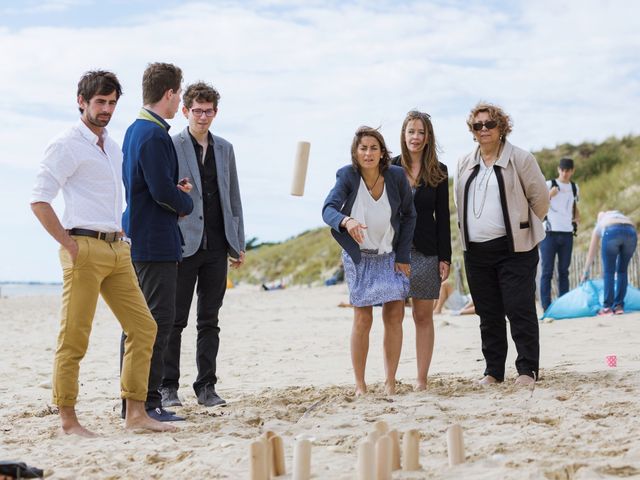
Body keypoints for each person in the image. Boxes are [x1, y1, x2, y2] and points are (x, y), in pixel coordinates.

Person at [30, 70, 175, 436]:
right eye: (100, 102)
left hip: (118, 249)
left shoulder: (113, 146)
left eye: (112, 102)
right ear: (81, 101)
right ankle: (68, 421)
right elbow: (39, 199)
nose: (106, 109)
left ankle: (136, 413)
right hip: (84, 249)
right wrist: (69, 243)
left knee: (144, 327)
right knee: (74, 337)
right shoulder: (65, 144)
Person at [160, 82, 245, 408]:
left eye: (209, 111)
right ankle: (168, 387)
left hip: (217, 245)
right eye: (197, 110)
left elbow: (233, 198)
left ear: (215, 112)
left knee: (210, 320)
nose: (203, 116)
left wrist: (237, 243)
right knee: (175, 320)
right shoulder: (171, 144)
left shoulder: (225, 148)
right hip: (183, 244)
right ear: (185, 111)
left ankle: (206, 386)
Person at [454, 102, 549, 387]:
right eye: (477, 125)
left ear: (501, 127)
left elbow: (540, 199)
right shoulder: (463, 162)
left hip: (514, 251)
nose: (483, 130)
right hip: (476, 252)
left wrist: (524, 227)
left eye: (489, 124)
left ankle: (527, 370)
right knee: (488, 313)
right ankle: (493, 371)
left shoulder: (521, 159)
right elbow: (459, 202)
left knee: (519, 308)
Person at [121, 62, 194, 422]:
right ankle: (146, 403)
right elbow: (161, 192)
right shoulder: (153, 135)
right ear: (169, 94)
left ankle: (133, 401)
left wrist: (170, 193)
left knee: (139, 324)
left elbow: (147, 187)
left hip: (143, 236)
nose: (178, 98)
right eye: (179, 93)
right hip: (154, 241)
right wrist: (186, 201)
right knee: (156, 323)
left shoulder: (135, 131)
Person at [322, 126, 416, 396]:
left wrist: (403, 255)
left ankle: (390, 381)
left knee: (395, 315)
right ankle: (361, 385)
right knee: (363, 319)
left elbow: (409, 215)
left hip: (390, 255)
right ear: (355, 152)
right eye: (363, 148)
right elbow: (327, 209)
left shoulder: (396, 176)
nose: (368, 153)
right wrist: (346, 220)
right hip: (359, 258)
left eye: (374, 147)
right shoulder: (347, 176)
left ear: (382, 152)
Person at [391, 110, 451, 391]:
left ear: (428, 138)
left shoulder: (439, 171)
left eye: (421, 132)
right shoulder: (388, 168)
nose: (416, 137)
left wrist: (445, 257)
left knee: (423, 316)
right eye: (411, 131)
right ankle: (390, 380)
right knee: (393, 316)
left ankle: (421, 380)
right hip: (394, 253)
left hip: (427, 251)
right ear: (404, 135)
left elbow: (443, 217)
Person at [539, 157, 580, 311]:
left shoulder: (575, 187)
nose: (564, 173)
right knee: (547, 271)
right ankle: (546, 306)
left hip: (567, 233)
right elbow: (537, 202)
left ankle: (564, 306)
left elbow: (575, 205)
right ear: (558, 169)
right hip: (549, 233)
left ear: (572, 171)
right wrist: (549, 194)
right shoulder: (550, 184)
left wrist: (577, 217)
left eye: (568, 170)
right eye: (562, 170)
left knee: (564, 271)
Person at [582, 211, 637, 315]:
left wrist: (585, 272)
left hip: (611, 231)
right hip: (631, 231)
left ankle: (607, 308)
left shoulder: (601, 223)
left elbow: (591, 253)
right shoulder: (619, 216)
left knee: (609, 271)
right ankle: (619, 306)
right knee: (622, 271)